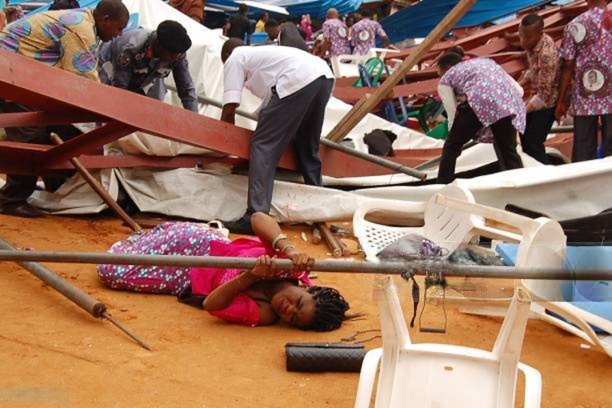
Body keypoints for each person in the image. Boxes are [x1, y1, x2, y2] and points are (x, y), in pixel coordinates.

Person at [97, 213, 351, 331]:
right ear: (306, 288)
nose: (289, 310)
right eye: (299, 303)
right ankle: (144, 239)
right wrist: (289, 249)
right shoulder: (290, 266)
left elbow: (211, 304)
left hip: (185, 277)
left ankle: (140, 242)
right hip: (203, 244)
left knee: (111, 272)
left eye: (293, 319)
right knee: (158, 240)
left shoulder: (264, 313)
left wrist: (250, 276)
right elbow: (258, 218)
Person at [0, 0, 129, 218]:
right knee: (31, 137)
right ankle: (10, 200)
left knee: (59, 130)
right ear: (105, 20)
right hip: (10, 72)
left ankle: (56, 188)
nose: (119, 35)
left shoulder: (83, 22)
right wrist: (113, 116)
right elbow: (86, 82)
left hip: (21, 73)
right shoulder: (81, 30)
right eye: (119, 28)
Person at [219, 39, 334, 234]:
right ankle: (320, 210)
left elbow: (230, 107)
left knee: (262, 145)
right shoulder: (265, 57)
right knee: (307, 146)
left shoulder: (234, 57)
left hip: (298, 78)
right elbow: (273, 104)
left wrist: (223, 139)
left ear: (226, 56)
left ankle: (256, 216)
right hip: (323, 76)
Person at [436, 52, 525, 184]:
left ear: (447, 68)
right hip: (507, 102)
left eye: (439, 73)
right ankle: (520, 182)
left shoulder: (446, 78)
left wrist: (452, 134)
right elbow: (519, 90)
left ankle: (443, 183)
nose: (440, 77)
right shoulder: (487, 62)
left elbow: (452, 112)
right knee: (507, 148)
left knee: (451, 147)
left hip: (479, 102)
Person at [98, 20, 198, 112]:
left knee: (155, 108)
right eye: (172, 55)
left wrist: (194, 119)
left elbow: (186, 89)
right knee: (107, 103)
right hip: (110, 69)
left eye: (178, 55)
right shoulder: (132, 48)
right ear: (158, 45)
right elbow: (120, 88)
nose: (175, 58)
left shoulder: (177, 54)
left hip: (146, 78)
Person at [556, 0, 611, 162]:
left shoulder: (575, 25)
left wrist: (561, 101)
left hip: (585, 98)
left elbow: (568, 64)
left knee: (583, 151)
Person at [517, 13, 561, 165]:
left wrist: (522, 111)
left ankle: (547, 172)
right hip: (535, 96)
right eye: (521, 36)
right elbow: (534, 70)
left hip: (547, 103)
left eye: (527, 37)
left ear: (540, 34)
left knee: (533, 144)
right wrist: (519, 83)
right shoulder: (532, 45)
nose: (523, 41)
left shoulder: (546, 54)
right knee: (524, 139)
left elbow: (544, 94)